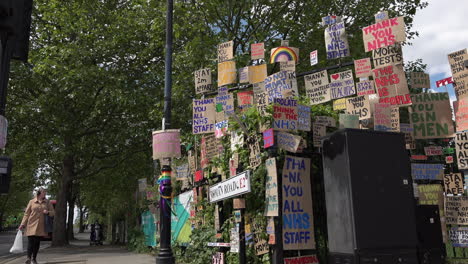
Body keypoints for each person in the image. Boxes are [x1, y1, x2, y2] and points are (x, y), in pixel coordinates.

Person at [18, 188, 55, 264]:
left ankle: (34, 259)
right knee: (30, 241)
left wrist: (47, 212)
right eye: (44, 192)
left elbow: (53, 213)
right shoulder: (31, 202)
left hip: (41, 226)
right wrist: (22, 224)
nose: (45, 194)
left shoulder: (47, 202)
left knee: (37, 242)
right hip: (31, 224)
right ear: (39, 193)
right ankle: (28, 258)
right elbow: (27, 214)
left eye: (45, 192)